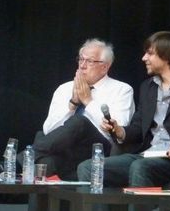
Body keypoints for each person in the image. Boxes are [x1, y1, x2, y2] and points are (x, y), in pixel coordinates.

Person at [77, 31, 170, 188]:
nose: (144, 58)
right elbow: (138, 127)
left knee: (140, 167)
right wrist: (119, 130)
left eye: (150, 53)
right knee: (89, 167)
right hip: (146, 154)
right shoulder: (147, 87)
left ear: (168, 55)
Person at [25, 38, 135, 180]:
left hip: (99, 149)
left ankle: (18, 161)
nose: (82, 66)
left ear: (105, 67)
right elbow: (48, 131)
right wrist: (72, 104)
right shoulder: (64, 88)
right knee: (45, 160)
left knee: (80, 122)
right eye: (80, 59)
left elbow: (118, 130)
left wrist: (88, 102)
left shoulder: (122, 89)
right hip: (64, 151)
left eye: (89, 61)